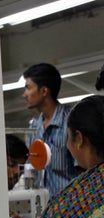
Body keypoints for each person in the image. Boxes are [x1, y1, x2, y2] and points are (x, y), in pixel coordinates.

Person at [22, 63, 77, 197]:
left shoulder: (70, 122)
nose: (24, 95)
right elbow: (31, 169)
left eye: (28, 88)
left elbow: (82, 170)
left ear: (44, 91)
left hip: (70, 205)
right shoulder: (34, 127)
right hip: (44, 207)